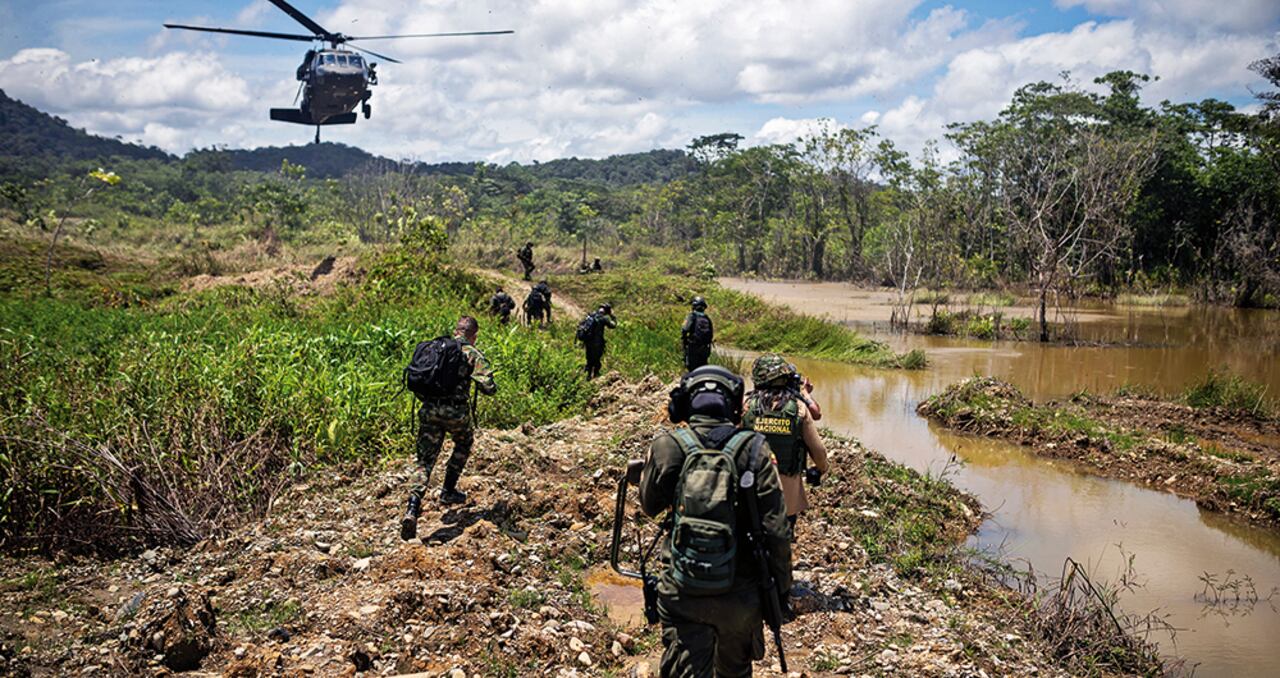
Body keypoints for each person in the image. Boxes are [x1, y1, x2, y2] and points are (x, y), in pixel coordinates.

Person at [639, 365, 792, 677]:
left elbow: (649, 506)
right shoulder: (755, 449)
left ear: (683, 405)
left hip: (682, 590)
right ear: (734, 407)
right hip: (741, 595)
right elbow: (776, 531)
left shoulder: (667, 445)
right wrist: (781, 593)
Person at [401, 316, 497, 541]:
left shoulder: (437, 347)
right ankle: (448, 490)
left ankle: (412, 509)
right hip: (456, 414)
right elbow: (488, 387)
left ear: (456, 330)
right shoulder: (472, 353)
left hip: (429, 411)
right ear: (474, 335)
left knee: (424, 461)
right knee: (464, 442)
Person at [742, 354, 829, 541]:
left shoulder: (745, 406)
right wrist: (821, 469)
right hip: (787, 494)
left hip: (750, 488)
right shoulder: (798, 408)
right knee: (783, 540)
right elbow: (818, 451)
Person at [579, 303, 617, 379]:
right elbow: (613, 325)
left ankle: (588, 376)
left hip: (588, 342)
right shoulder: (603, 318)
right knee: (597, 360)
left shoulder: (591, 316)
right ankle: (595, 377)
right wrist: (613, 317)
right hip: (597, 343)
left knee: (589, 359)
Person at [681, 296, 714, 371]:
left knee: (692, 368)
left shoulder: (692, 316)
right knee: (702, 369)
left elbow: (684, 329)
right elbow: (711, 335)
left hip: (693, 347)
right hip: (705, 348)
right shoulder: (707, 318)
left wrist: (684, 341)